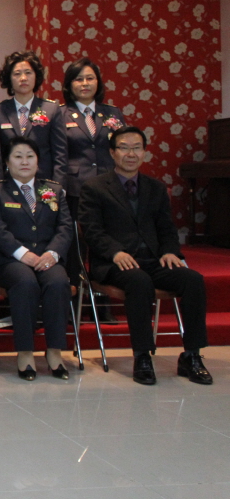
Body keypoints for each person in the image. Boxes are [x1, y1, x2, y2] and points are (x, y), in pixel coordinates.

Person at [79, 126, 212, 386]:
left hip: (152, 260)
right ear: (113, 152)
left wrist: (170, 251)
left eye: (136, 148)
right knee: (139, 281)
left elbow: (167, 228)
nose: (131, 154)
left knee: (193, 280)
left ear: (144, 152)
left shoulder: (155, 188)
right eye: (124, 148)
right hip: (114, 263)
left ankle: (192, 355)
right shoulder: (94, 187)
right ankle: (142, 356)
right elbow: (92, 230)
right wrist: (115, 252)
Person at [0, 136, 72, 380]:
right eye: (18, 156)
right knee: (25, 283)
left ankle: (54, 352)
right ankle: (25, 352)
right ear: (7, 162)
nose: (24, 162)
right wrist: (23, 254)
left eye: (30, 156)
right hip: (11, 260)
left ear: (38, 161)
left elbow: (65, 227)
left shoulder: (53, 190)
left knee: (58, 282)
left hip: (48, 258)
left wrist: (52, 253)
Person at [61, 57, 126, 218]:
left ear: (98, 82)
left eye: (90, 78)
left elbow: (123, 148)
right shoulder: (60, 114)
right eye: (79, 79)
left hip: (110, 185)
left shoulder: (112, 112)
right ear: (70, 84)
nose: (85, 83)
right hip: (76, 187)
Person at [0, 51, 66, 183]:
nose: (23, 78)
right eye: (17, 74)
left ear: (36, 76)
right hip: (8, 184)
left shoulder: (51, 109)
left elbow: (60, 154)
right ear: (9, 78)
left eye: (28, 72)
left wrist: (58, 187)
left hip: (44, 183)